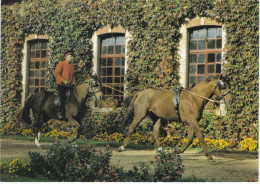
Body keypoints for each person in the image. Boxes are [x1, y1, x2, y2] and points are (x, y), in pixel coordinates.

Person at [54, 51, 75, 120]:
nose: (72, 57)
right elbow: (56, 73)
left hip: (69, 85)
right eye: (70, 56)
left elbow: (73, 76)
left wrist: (73, 81)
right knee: (63, 97)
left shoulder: (72, 66)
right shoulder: (61, 63)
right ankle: (59, 112)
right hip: (61, 84)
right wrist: (63, 80)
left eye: (72, 56)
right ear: (66, 56)